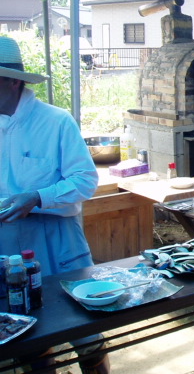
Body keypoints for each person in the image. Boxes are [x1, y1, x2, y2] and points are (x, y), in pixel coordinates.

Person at [0, 37, 110, 373]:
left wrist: (37, 197)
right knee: (27, 336)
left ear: (13, 81)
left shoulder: (55, 121)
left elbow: (85, 180)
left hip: (59, 247)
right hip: (8, 252)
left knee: (85, 333)